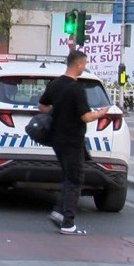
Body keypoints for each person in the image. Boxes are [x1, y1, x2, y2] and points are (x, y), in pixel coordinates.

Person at [38, 50, 110, 236]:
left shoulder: (55, 84)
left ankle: (59, 212)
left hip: (56, 138)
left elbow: (42, 105)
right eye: (84, 64)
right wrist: (100, 114)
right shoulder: (77, 89)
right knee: (75, 179)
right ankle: (68, 223)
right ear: (78, 64)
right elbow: (85, 117)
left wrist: (56, 111)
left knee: (68, 176)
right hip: (73, 140)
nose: (84, 67)